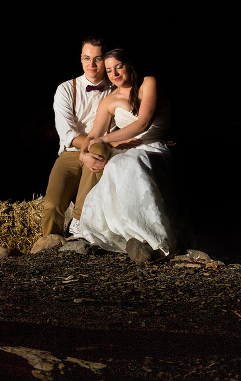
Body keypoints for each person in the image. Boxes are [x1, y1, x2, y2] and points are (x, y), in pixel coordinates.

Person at [72, 48, 179, 261]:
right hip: (128, 150)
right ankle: (125, 233)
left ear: (129, 65)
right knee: (115, 165)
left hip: (154, 147)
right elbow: (93, 135)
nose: (114, 74)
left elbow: (143, 123)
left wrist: (105, 140)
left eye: (118, 67)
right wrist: (83, 155)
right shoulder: (109, 100)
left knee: (134, 163)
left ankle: (150, 236)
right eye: (109, 70)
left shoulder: (148, 83)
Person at [39, 36, 111, 243]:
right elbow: (67, 134)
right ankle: (48, 245)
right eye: (87, 58)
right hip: (71, 153)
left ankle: (78, 223)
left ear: (105, 60)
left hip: (101, 149)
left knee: (99, 152)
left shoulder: (116, 89)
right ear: (81, 59)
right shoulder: (65, 89)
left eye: (98, 59)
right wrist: (84, 151)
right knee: (52, 205)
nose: (92, 64)